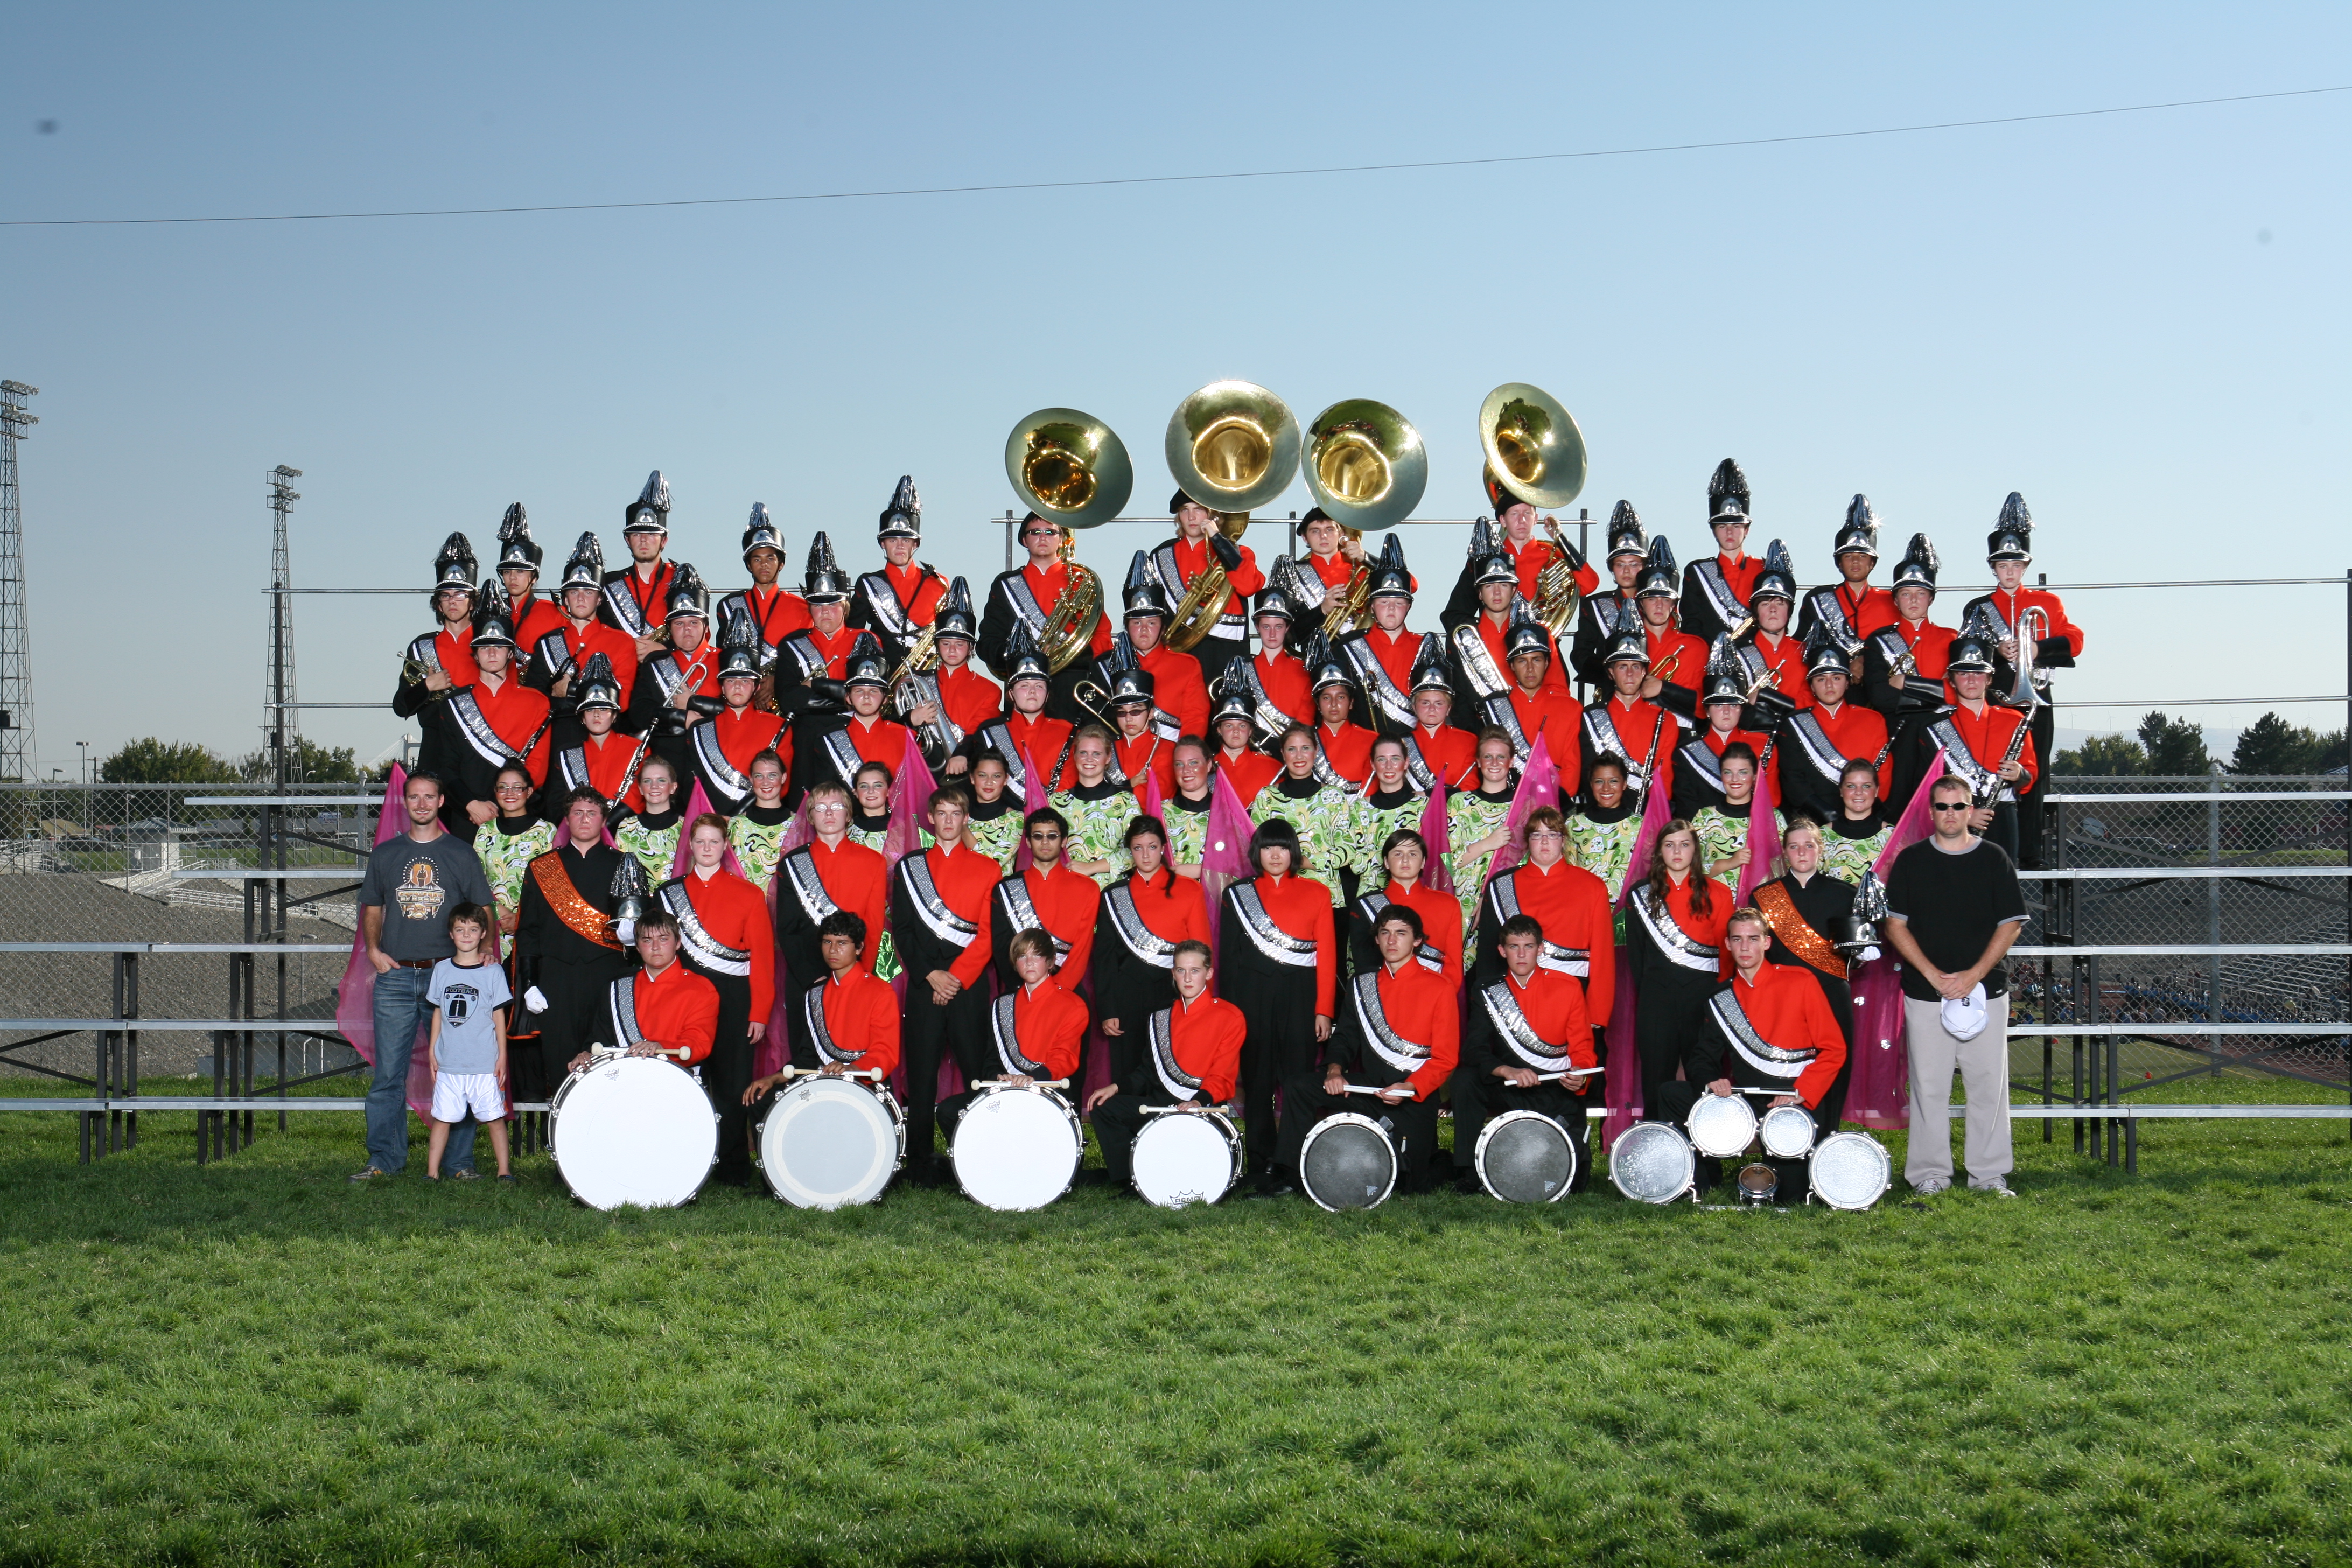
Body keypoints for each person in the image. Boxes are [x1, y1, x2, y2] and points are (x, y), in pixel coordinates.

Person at [1881, 775, 2027, 1196]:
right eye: (1942, 807)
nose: (1950, 814)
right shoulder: (1911, 861)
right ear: (1931, 812)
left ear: (1971, 810)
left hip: (1985, 991)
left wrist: (1973, 975)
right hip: (1926, 992)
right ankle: (1930, 1174)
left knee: (1988, 1086)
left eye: (1959, 806)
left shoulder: (1994, 858)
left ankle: (1989, 1175)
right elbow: (1895, 924)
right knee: (1929, 1087)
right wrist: (1933, 975)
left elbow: (2011, 924)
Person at [351, 771, 498, 1182]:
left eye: (429, 797)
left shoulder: (460, 853)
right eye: (414, 797)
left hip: (450, 977)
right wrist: (375, 952)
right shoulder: (386, 854)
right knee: (388, 1076)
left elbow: (483, 909)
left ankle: (459, 1162)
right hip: (398, 977)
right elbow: (373, 910)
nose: (421, 804)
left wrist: (483, 951)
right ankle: (385, 1158)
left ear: (440, 801)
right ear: (405, 802)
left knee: (460, 1070)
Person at [1274, 903, 1459, 1195]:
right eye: (1385, 933)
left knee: (1408, 1185)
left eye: (1401, 933)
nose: (1392, 941)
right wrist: (1335, 1071)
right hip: (1369, 1090)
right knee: (1299, 1086)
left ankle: (1441, 1162)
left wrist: (1410, 1086)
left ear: (1418, 940)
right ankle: (1288, 1177)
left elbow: (1446, 1059)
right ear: (1376, 939)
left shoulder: (1440, 987)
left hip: (1412, 1096)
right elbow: (1345, 1039)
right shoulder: (1362, 985)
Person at [1958, 493, 2083, 868]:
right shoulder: (1978, 608)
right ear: (1992, 568)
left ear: (2025, 566)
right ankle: (1986, 842)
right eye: (2002, 565)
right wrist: (1998, 651)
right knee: (1990, 769)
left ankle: (2029, 851)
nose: (2009, 571)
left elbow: (2075, 641)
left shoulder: (2048, 603)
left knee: (2034, 773)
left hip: (2036, 698)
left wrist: (2035, 649)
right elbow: (1964, 651)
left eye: (2016, 564)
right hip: (1996, 700)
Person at [1695, 907, 1849, 1198]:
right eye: (1737, 939)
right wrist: (1713, 1079)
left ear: (1767, 942)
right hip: (1747, 1099)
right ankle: (1702, 1183)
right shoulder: (1720, 998)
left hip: (1796, 1097)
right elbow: (1703, 1056)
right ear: (1727, 944)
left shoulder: (1800, 981)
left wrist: (1801, 1091)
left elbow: (1834, 1049)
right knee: (1672, 1094)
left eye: (1753, 939)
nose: (1745, 947)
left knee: (1789, 1193)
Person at [890, 786, 1001, 1181]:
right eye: (942, 813)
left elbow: (990, 934)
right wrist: (929, 974)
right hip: (924, 985)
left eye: (957, 813)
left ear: (965, 819)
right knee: (921, 1075)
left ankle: (981, 1154)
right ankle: (919, 1162)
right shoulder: (909, 866)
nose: (950, 820)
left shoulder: (989, 868)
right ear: (931, 819)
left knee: (976, 1070)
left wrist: (956, 977)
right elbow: (902, 928)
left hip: (967, 987)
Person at [1219, 819, 1336, 1190]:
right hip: (1251, 1001)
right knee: (1257, 1084)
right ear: (1257, 852)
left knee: (1298, 1082)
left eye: (1282, 847)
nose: (1275, 854)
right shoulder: (1237, 894)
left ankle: (1293, 1162)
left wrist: (1324, 1010)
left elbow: (1328, 957)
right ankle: (1261, 1164)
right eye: (1268, 847)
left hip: (1300, 999)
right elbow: (1230, 961)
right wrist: (1232, 1016)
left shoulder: (1317, 892)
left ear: (1293, 852)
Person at [660, 814, 776, 1187]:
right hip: (683, 999)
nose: (707, 849)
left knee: (731, 1086)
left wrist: (759, 1012)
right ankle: (681, 1162)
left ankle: (732, 1169)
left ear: (725, 846)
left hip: (734, 999)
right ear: (690, 846)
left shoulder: (749, 894)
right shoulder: (668, 893)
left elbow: (763, 959)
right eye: (700, 842)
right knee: (683, 1082)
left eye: (714, 842)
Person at [1084, 939, 1247, 1194]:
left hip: (1202, 1107)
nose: (1188, 978)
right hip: (1159, 1104)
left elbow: (1222, 1075)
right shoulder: (1160, 1018)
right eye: (1181, 970)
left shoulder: (1230, 1016)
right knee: (1105, 1107)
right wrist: (1115, 1087)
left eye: (1195, 971)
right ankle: (1132, 1179)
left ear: (1209, 973)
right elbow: (1148, 1072)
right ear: (1173, 974)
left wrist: (1197, 1102)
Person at [1460, 913, 1599, 1194]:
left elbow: (1582, 1047)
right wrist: (1507, 1071)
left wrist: (1580, 1076)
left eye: (1529, 947)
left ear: (1541, 948)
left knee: (1572, 1181)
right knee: (1465, 1080)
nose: (1521, 955)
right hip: (1507, 1084)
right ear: (1502, 951)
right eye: (1514, 947)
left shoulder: (1568, 986)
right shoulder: (1488, 989)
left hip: (1553, 1086)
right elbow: (1474, 1049)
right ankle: (1468, 1171)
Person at [513, 786, 633, 1094]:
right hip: (556, 979)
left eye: (592, 813)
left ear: (603, 820)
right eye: (577, 813)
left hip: (609, 976)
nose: (584, 819)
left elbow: (637, 934)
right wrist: (528, 986)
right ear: (567, 819)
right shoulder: (542, 868)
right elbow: (528, 932)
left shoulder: (624, 865)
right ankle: (558, 1135)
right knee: (559, 1059)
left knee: (607, 1060)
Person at [1625, 818, 1731, 1149]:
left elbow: (1726, 958)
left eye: (1685, 844)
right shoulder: (1641, 895)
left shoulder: (1719, 892)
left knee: (1705, 1077)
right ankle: (1657, 1151)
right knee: (1656, 1078)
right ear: (1659, 851)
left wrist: (1716, 1006)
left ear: (1695, 851)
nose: (1677, 851)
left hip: (1704, 1001)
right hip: (1656, 1001)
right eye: (1670, 845)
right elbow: (1637, 957)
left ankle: (1708, 1151)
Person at [1752, 816, 1861, 1134]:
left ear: (1820, 850)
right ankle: (1782, 1139)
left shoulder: (1845, 894)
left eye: (1809, 846)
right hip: (1783, 998)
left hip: (1831, 993)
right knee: (1785, 1065)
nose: (1802, 853)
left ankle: (1829, 1135)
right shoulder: (1763, 896)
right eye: (1794, 846)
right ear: (1785, 852)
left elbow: (1856, 949)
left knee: (1835, 1062)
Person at [933, 926, 1090, 1146]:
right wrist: (999, 1075)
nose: (1029, 962)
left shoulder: (1074, 1005)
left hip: (1047, 1092)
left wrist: (1034, 1078)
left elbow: (1065, 1057)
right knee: (950, 1111)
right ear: (1015, 965)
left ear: (1051, 962)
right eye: (1022, 956)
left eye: (1037, 955)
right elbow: (991, 1060)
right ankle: (982, 1169)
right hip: (1006, 1093)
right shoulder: (1001, 1005)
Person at [772, 782, 891, 1056]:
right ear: (810, 816)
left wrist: (861, 976)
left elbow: (873, 926)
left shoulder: (873, 861)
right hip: (806, 977)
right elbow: (787, 928)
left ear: (849, 814)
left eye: (836, 806)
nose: (828, 814)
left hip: (853, 977)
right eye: (820, 808)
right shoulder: (792, 863)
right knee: (805, 1062)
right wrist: (813, 977)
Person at [1092, 817, 1215, 1080]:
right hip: (1126, 998)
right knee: (1127, 1072)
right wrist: (1108, 1010)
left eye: (1152, 846)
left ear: (1163, 847)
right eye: (1138, 848)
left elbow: (1202, 952)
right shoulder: (1114, 895)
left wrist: (1203, 1007)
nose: (1145, 855)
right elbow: (1105, 959)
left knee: (1172, 1070)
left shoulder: (1189, 890)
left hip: (1173, 994)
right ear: (1130, 850)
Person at [1912, 626, 2038, 865]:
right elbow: (1925, 787)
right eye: (1963, 673)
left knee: (2001, 888)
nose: (1971, 680)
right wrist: (1965, 815)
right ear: (1951, 679)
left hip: (2001, 816)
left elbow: (2031, 777)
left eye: (1979, 674)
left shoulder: (2014, 721)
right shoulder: (1934, 726)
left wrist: (2020, 774)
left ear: (1990, 679)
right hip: (1953, 818)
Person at [434, 597, 551, 836]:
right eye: (484, 647)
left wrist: (509, 803)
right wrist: (471, 804)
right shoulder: (454, 704)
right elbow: (446, 768)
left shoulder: (537, 701)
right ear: (475, 654)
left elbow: (537, 768)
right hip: (469, 817)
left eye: (499, 646)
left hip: (520, 814)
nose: (491, 653)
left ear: (511, 653)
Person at [977, 513, 1113, 712]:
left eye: (1050, 532)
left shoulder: (1081, 581)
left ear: (1062, 539)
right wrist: (1020, 654)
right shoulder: (1006, 585)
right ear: (1024, 540)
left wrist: (1067, 654)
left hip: (1074, 690)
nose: (1043, 537)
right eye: (1035, 532)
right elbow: (988, 643)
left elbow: (1102, 638)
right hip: (1023, 689)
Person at [748, 909, 899, 1088]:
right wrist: (774, 1078)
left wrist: (851, 1068)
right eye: (828, 942)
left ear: (859, 948)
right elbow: (808, 1058)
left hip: (864, 1083)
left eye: (842, 943)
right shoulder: (814, 994)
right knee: (761, 1100)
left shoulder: (880, 992)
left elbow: (884, 1052)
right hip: (822, 1081)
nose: (833, 950)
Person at [423, 902, 514, 1184]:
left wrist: (502, 1056)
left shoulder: (493, 972)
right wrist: (432, 1051)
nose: (466, 935)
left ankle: (504, 1172)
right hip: (450, 1063)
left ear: (483, 933)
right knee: (443, 1119)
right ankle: (432, 1174)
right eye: (460, 929)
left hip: (484, 1063)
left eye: (473, 929)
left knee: (495, 1120)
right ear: (451, 934)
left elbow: (498, 1016)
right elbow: (438, 1012)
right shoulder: (441, 970)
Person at [393, 534, 479, 817]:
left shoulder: (488, 643)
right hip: (435, 750)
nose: (453, 601)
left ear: (472, 600)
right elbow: (401, 706)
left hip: (478, 749)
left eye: (460, 594)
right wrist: (428, 686)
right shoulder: (422, 646)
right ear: (438, 603)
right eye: (446, 595)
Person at [1248, 725, 1363, 934]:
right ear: (1282, 753)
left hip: (1327, 896)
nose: (1299, 756)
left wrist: (1304, 862)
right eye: (1292, 749)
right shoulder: (1267, 798)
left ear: (1316, 751)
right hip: (1278, 893)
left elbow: (1348, 850)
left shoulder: (1333, 797)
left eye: (1305, 748)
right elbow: (1255, 848)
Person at [1149, 488, 1266, 687]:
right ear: (1179, 517)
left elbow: (1248, 587)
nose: (1192, 517)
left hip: (1228, 647)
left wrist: (1218, 539)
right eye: (1185, 510)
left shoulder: (1238, 552)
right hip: (1181, 648)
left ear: (1211, 514)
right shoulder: (1161, 555)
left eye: (1199, 509)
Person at [580, 907, 719, 1073]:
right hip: (624, 1078)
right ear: (638, 947)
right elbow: (600, 1040)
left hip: (676, 1077)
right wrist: (587, 1055)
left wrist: (660, 1047)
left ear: (678, 943)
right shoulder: (618, 987)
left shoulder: (701, 989)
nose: (655, 947)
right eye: (647, 940)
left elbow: (698, 1044)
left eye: (663, 939)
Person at [1774, 627, 1891, 823]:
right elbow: (1793, 781)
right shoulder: (1794, 724)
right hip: (1814, 822)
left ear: (1847, 682)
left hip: (1864, 816)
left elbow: (1883, 777)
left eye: (1836, 678)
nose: (1829, 686)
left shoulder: (1873, 720)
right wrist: (1828, 815)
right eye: (1821, 679)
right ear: (1811, 685)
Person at [1445, 530, 1569, 711]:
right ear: (1479, 593)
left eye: (1503, 585)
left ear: (1513, 590)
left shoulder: (1539, 633)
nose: (1497, 592)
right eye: (1489, 586)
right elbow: (1458, 699)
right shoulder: (1463, 637)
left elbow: (1558, 690)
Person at [622, 566, 723, 783]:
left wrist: (694, 705)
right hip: (669, 764)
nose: (687, 629)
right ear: (669, 629)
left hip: (720, 757)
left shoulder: (725, 661)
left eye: (694, 622)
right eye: (679, 623)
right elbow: (639, 713)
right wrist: (680, 717)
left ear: (706, 626)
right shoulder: (654, 663)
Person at [988, 808, 1101, 990]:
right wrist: (1024, 991)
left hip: (1066, 989)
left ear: (1064, 841)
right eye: (1038, 836)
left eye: (1053, 836)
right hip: (1020, 990)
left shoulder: (1088, 888)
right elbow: (1002, 948)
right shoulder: (1006, 888)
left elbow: (1082, 949)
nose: (1045, 842)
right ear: (1029, 842)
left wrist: (1058, 990)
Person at [527, 533, 640, 712]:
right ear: (565, 599)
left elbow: (623, 701)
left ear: (599, 600)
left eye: (588, 592)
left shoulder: (622, 642)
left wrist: (572, 690)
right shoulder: (547, 643)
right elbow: (534, 700)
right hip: (559, 733)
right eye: (574, 592)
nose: (580, 598)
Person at [958, 624, 1073, 802]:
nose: (1032, 691)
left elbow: (1071, 783)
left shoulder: (1069, 732)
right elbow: (979, 785)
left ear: (1048, 694)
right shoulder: (989, 733)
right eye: (1024, 686)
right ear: (1010, 694)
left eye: (1039, 686)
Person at [684, 619, 787, 815]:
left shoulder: (778, 726)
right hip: (712, 823)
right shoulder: (700, 729)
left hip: (761, 818)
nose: (738, 686)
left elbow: (783, 782)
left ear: (757, 687)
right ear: (721, 686)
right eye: (731, 680)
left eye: (745, 680)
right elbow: (693, 786)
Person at [1580, 610, 1682, 807]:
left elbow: (1665, 778)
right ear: (1611, 673)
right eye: (1622, 666)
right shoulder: (1590, 716)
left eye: (1636, 666)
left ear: (1645, 672)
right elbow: (1588, 774)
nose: (1629, 674)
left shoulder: (1666, 719)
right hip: (1601, 812)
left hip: (1648, 812)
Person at [849, 475, 947, 671]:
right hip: (880, 678)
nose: (900, 546)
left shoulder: (938, 584)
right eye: (893, 540)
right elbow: (853, 635)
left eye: (906, 540)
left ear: (916, 544)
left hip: (927, 676)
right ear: (883, 544)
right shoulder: (869, 584)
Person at [1112, 550, 1210, 743]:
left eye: (1152, 623)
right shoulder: (1108, 663)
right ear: (1127, 626)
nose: (1144, 630)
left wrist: (1180, 762)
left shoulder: (1187, 666)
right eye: (1137, 623)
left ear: (1163, 626)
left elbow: (1195, 720)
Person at [1335, 537, 1431, 734]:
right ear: (1371, 606)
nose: (1391, 609)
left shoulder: (1426, 647)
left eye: (1399, 602)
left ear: (1409, 606)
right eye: (1383, 602)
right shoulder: (1347, 647)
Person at [1860, 533, 1955, 724]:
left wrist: (1907, 683)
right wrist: (1937, 693)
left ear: (1931, 599)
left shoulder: (1953, 639)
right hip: (1899, 730)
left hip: (1944, 729)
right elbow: (1881, 697)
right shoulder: (1878, 640)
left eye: (1921, 593)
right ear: (1895, 600)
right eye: (1906, 594)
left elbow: (1960, 692)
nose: (1913, 600)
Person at [1347, 828, 1462, 984]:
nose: (1405, 860)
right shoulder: (1365, 905)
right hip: (1384, 995)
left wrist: (1442, 996)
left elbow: (1453, 966)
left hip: (1435, 994)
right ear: (1387, 862)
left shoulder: (1448, 904)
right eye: (1398, 853)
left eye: (1413, 854)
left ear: (1423, 862)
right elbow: (1364, 964)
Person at [712, 502, 811, 677]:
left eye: (771, 558)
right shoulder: (729, 605)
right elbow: (723, 655)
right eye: (757, 559)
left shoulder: (802, 607)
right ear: (749, 566)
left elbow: (805, 658)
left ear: (781, 563)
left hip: (785, 692)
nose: (764, 564)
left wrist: (776, 680)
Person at [1483, 601, 1584, 773]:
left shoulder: (1570, 708)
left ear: (1546, 664)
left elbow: (1571, 768)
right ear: (1512, 666)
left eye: (1536, 660)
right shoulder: (1492, 707)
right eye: (1522, 661)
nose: (1530, 668)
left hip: (1555, 798)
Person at [914, 578, 1002, 772]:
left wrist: (961, 752)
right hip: (921, 769)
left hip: (967, 768)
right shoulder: (917, 682)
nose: (952, 650)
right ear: (937, 646)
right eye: (946, 643)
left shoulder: (990, 690)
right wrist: (910, 719)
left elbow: (978, 729)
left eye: (960, 644)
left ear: (971, 647)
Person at [1797, 496, 1896, 668]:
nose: (1856, 562)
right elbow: (1801, 646)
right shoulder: (1817, 599)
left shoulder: (1892, 601)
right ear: (1839, 563)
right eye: (1849, 556)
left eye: (1863, 556)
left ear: (1872, 563)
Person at [1445, 730, 1520, 958]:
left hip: (1506, 903)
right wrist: (1488, 843)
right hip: (1460, 904)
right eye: (1488, 757)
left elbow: (1528, 865)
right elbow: (1446, 862)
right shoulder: (1460, 802)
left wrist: (1489, 899)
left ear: (1511, 762)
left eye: (1501, 757)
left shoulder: (1523, 805)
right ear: (1478, 761)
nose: (1494, 763)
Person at [599, 472, 689, 655]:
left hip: (668, 669)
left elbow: (699, 633)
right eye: (637, 534)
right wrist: (625, 645)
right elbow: (597, 631)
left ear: (664, 541)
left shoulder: (683, 580)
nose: (643, 540)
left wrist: (665, 648)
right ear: (627, 540)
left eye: (652, 535)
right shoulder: (608, 583)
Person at [538, 654, 640, 814]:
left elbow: (638, 798)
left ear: (614, 717)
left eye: (604, 709)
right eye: (590, 710)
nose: (597, 715)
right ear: (582, 719)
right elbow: (556, 802)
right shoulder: (567, 753)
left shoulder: (637, 749)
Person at [1671, 663, 1774, 821]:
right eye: (1718, 705)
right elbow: (1686, 807)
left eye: (1733, 705)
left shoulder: (1763, 746)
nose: (1726, 711)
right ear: (1707, 711)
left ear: (1742, 709)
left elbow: (1772, 799)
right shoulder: (1687, 752)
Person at [1678, 458, 1763, 645]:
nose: (1730, 532)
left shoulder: (1763, 570)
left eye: (1737, 525)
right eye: (1723, 526)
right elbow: (1691, 625)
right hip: (1710, 660)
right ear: (1714, 530)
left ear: (1747, 530)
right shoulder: (1697, 572)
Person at [770, 534, 866, 694]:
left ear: (845, 607)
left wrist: (815, 686)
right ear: (809, 609)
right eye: (817, 605)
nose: (826, 611)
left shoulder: (865, 640)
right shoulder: (792, 645)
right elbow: (788, 700)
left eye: (833, 604)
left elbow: (868, 695)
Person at [1568, 502, 1647, 690]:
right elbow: (1580, 655)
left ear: (1645, 567)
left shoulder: (1658, 603)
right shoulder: (1594, 605)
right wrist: (1615, 674)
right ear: (1612, 568)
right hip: (1610, 693)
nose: (1627, 571)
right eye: (1620, 564)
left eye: (1634, 564)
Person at [1721, 542, 1808, 710]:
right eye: (1765, 604)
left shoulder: (1806, 654)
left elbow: (1812, 707)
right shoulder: (1736, 654)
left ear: (1790, 611)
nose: (1773, 610)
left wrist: (1766, 697)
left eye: (1780, 603)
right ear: (1755, 612)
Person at [1690, 744, 1780, 896]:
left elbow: (1782, 868)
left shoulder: (1773, 818)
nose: (1735, 779)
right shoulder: (1704, 817)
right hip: (1714, 905)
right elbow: (1691, 868)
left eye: (1743, 773)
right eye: (1728, 773)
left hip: (1759, 909)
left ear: (1755, 776)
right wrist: (1731, 863)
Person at [1052, 725, 1137, 885]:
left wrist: (1091, 867)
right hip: (1067, 889)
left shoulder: (1126, 801)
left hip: (1111, 892)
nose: (1089, 759)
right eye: (1083, 753)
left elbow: (1137, 851)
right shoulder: (1057, 802)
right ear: (1075, 756)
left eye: (1096, 754)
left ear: (1108, 758)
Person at [1632, 537, 1709, 709]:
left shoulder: (1696, 647)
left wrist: (1664, 689)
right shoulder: (1627, 645)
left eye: (1665, 600)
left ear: (1674, 605)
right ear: (1641, 604)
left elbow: (1706, 707)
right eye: (1652, 599)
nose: (1659, 605)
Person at [1349, 737, 1426, 906]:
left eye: (1395, 759)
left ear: (1406, 763)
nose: (1389, 766)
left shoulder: (1423, 806)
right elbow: (1356, 863)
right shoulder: (1359, 809)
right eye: (1382, 760)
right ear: (1373, 764)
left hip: (1414, 895)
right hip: (1372, 897)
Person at [1566, 753, 1642, 908]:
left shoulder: (1641, 825)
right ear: (1591, 784)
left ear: (1625, 784)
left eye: (1613, 781)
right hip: (1584, 910)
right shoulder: (1574, 825)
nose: (1606, 788)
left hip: (1627, 914)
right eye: (1599, 781)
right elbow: (1568, 875)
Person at [1242, 568, 1313, 729]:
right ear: (1257, 627)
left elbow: (1306, 721)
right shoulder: (1242, 669)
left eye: (1279, 627)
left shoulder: (1304, 670)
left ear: (1288, 628)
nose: (1273, 634)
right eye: (1266, 627)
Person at [1404, 645, 1480, 790]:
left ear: (1449, 709)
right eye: (1425, 703)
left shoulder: (1468, 741)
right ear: (1414, 707)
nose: (1432, 709)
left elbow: (1470, 787)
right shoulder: (1400, 742)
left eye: (1439, 703)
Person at [494, 503, 567, 654]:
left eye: (520, 571)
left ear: (534, 578)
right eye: (507, 571)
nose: (512, 577)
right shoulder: (491, 613)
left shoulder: (556, 614)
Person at [1102, 662, 1179, 802]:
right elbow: (1093, 791)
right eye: (1121, 713)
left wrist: (1117, 790)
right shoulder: (1107, 749)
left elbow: (1155, 796)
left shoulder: (1167, 749)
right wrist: (1131, 785)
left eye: (1136, 711)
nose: (1128, 718)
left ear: (1151, 713)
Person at [1306, 634, 1376, 786]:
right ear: (1318, 705)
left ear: (1351, 703)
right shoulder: (1305, 740)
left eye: (1341, 697)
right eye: (1326, 698)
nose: (1333, 704)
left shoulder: (1372, 740)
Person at [613, 755, 685, 892]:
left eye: (661, 781)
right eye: (648, 781)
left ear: (673, 787)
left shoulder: (688, 827)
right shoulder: (627, 827)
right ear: (640, 788)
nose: (654, 786)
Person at [726, 750, 794, 895]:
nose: (765, 782)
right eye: (759, 776)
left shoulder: (799, 824)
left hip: (787, 909)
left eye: (772, 775)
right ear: (751, 779)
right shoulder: (736, 825)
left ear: (783, 778)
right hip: (747, 908)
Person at [1820, 759, 1894, 884]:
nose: (1858, 792)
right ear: (1841, 791)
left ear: (1876, 791)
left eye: (1866, 786)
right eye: (1851, 786)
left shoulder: (1893, 837)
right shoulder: (1821, 836)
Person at [1207, 689, 1279, 804]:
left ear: (1250, 731)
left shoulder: (1273, 768)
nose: (1236, 731)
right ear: (1219, 730)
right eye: (1229, 726)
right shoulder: (1206, 769)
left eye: (1242, 726)